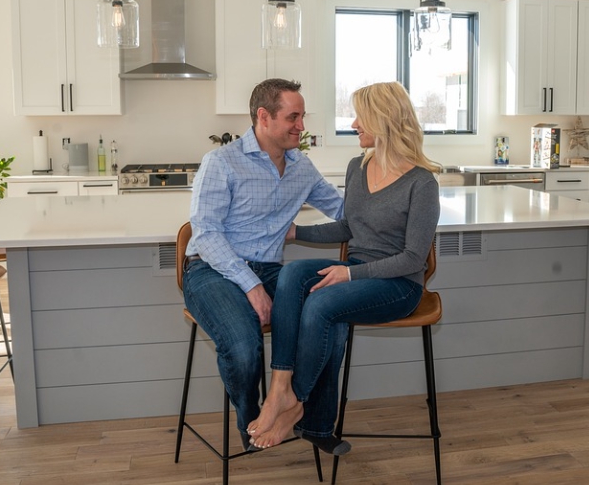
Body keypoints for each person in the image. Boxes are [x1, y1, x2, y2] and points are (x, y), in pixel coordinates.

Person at [247, 81, 442, 451]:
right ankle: (280, 388)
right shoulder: (358, 167)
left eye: (360, 117)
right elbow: (350, 227)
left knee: (322, 304)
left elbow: (413, 258)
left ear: (383, 120)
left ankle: (295, 403)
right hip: (359, 270)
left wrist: (349, 273)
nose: (354, 124)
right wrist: (296, 232)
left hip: (399, 285)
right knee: (293, 274)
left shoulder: (422, 182)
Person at [183, 78, 345, 452]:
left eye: (302, 117)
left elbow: (343, 211)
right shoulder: (221, 162)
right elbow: (205, 234)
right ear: (264, 117)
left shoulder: (302, 167)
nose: (301, 126)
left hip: (270, 269)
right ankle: (252, 419)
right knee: (243, 345)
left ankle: (310, 420)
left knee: (331, 314)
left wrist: (393, 202)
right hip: (211, 270)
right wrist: (251, 285)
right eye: (293, 117)